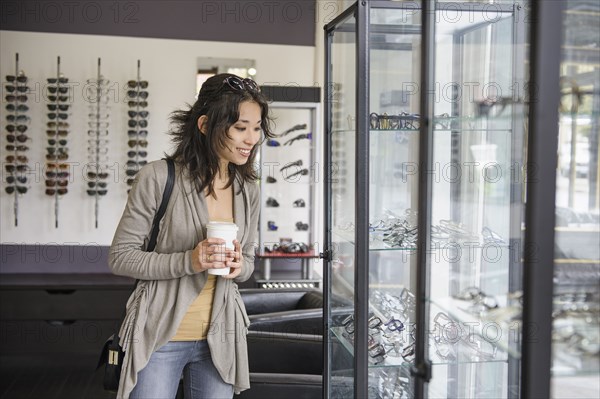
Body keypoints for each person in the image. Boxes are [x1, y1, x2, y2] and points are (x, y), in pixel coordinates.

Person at [108, 73, 274, 398]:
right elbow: (121, 257)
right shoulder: (157, 178)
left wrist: (240, 267)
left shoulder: (246, 190)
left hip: (221, 340)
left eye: (256, 128)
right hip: (158, 338)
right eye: (240, 127)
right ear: (204, 126)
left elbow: (250, 263)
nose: (251, 138)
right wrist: (190, 260)